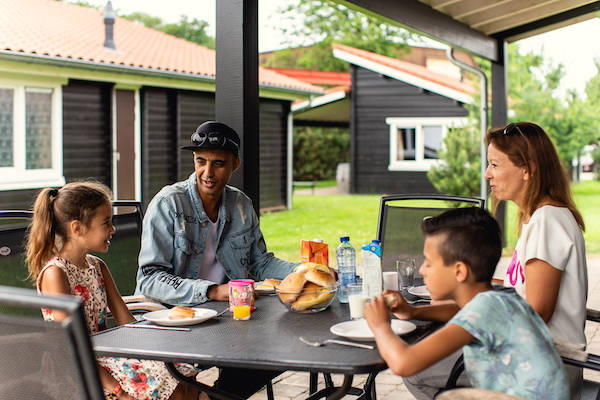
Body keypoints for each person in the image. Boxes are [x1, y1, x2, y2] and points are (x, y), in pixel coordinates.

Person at [134, 121, 302, 398]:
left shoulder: (241, 205)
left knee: (276, 350)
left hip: (223, 317)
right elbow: (149, 278)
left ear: (235, 164)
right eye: (201, 162)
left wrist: (302, 269)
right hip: (171, 318)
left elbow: (260, 263)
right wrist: (212, 290)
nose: (208, 172)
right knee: (253, 358)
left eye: (218, 164)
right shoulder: (169, 204)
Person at [364, 207, 569, 399]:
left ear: (460, 271)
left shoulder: (484, 309)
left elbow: (404, 363)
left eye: (428, 262)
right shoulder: (499, 297)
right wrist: (412, 312)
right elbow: (462, 310)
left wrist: (380, 325)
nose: (422, 271)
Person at [25, 182, 204, 400]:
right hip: (76, 368)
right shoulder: (56, 274)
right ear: (77, 228)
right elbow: (70, 345)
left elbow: (127, 322)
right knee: (171, 387)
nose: (113, 229)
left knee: (184, 375)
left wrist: (162, 346)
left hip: (107, 355)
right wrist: (118, 391)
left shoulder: (97, 266)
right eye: (106, 223)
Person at [486, 121, 587, 398]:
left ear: (527, 170)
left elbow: (537, 310)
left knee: (423, 369)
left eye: (495, 165)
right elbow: (521, 287)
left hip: (544, 369)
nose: (487, 174)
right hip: (538, 359)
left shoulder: (548, 221)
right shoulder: (539, 219)